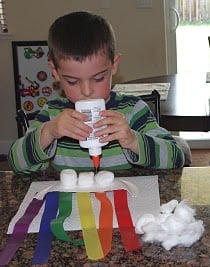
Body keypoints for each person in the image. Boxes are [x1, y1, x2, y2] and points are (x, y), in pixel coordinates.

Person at [8, 11, 184, 175]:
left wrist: (133, 141)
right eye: (72, 81)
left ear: (114, 65)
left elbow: (176, 158)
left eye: (98, 78)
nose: (87, 91)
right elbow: (16, 163)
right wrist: (49, 132)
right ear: (55, 71)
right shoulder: (52, 114)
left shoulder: (132, 110)